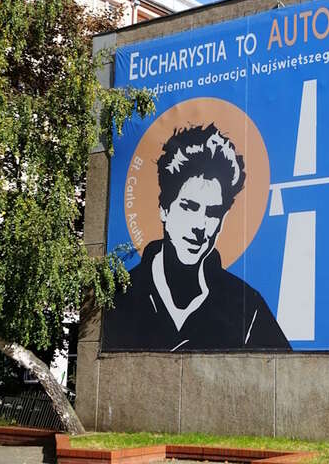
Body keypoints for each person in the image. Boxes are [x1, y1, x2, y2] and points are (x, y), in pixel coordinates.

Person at [103, 124, 290, 352]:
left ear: (222, 220)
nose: (200, 226)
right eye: (189, 207)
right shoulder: (119, 297)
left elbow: (285, 369)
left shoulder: (246, 308)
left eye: (212, 213)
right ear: (164, 209)